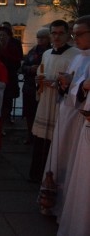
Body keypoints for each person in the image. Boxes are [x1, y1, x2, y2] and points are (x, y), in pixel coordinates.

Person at [43, 15, 90, 222]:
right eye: (74, 34)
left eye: (79, 34)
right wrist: (65, 83)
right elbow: (74, 86)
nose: (75, 38)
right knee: (59, 159)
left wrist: (73, 85)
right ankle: (53, 202)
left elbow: (83, 91)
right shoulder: (79, 57)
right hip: (66, 114)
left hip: (79, 121)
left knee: (72, 164)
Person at [29, 20, 79, 183]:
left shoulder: (75, 55)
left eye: (60, 33)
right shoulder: (46, 53)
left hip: (61, 103)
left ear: (67, 34)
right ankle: (36, 174)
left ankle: (53, 176)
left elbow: (77, 81)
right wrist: (39, 80)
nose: (56, 37)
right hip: (45, 102)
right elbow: (41, 71)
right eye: (54, 33)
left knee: (56, 140)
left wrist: (57, 84)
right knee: (40, 139)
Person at [21, 28, 51, 145]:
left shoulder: (51, 52)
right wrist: (30, 68)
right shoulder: (33, 51)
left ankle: (41, 136)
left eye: (42, 37)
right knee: (29, 113)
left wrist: (38, 69)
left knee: (42, 113)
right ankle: (30, 135)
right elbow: (23, 67)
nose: (40, 40)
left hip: (43, 87)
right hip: (30, 86)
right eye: (38, 37)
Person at [0, 25, 23, 125]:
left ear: (9, 36)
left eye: (3, 35)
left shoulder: (14, 46)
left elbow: (17, 62)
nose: (1, 37)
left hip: (10, 78)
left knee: (7, 103)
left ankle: (3, 123)